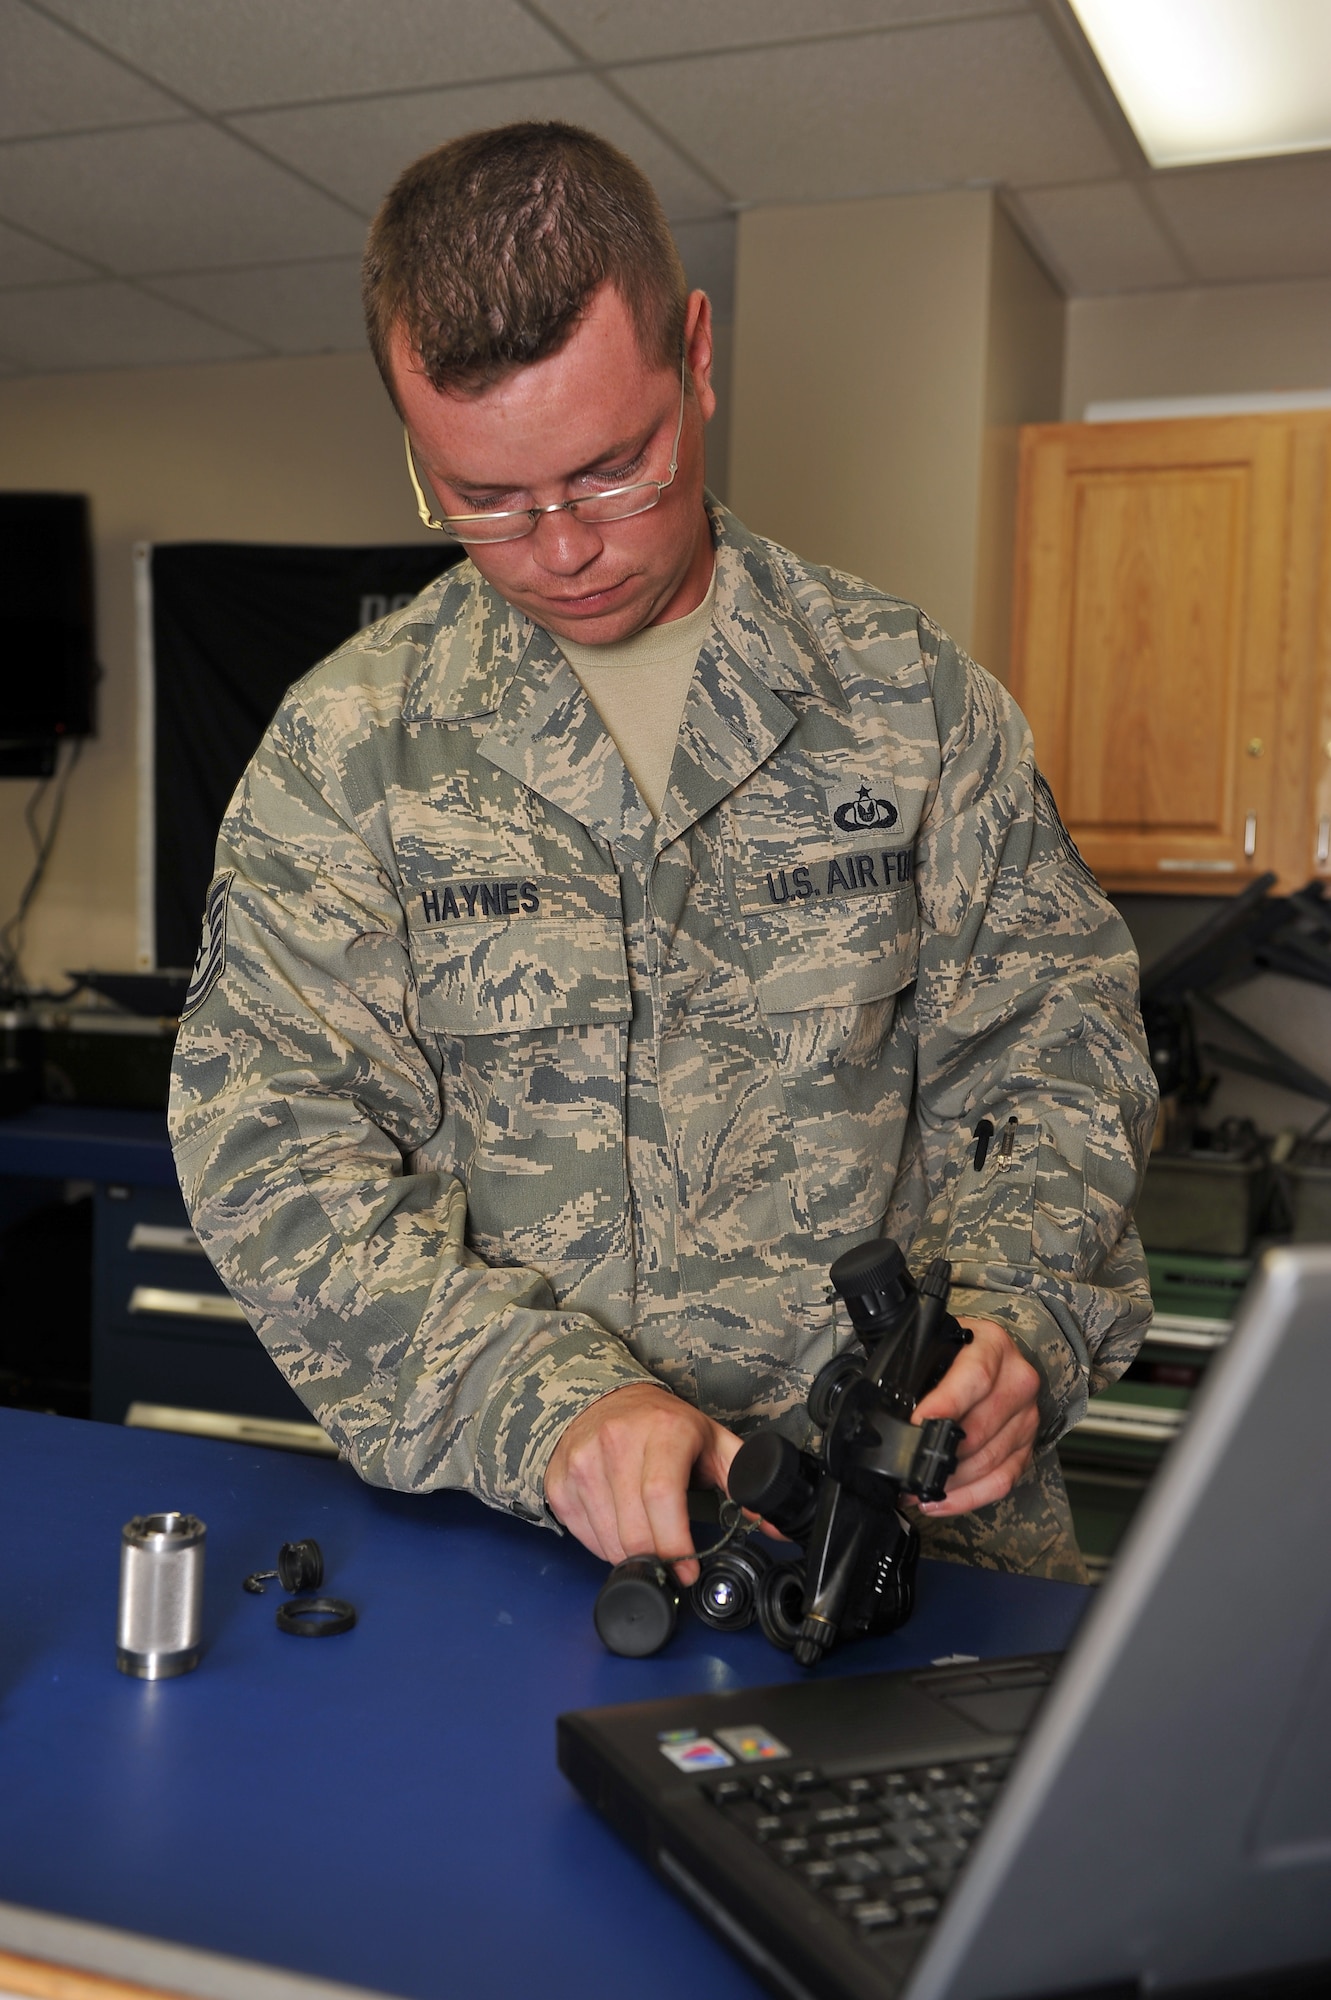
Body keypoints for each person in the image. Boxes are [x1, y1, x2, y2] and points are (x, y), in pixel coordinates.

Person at [169, 121, 1157, 1590]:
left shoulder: (910, 704)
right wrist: (541, 1400)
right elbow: (270, 1140)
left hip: (920, 1550)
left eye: (613, 471)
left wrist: (1019, 1321)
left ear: (696, 357)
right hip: (528, 1559)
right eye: (484, 500)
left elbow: (1065, 1051)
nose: (561, 546)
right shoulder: (349, 752)